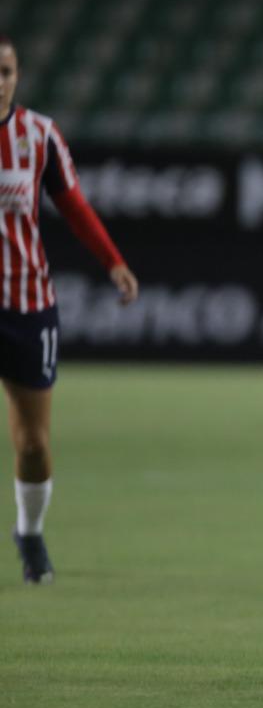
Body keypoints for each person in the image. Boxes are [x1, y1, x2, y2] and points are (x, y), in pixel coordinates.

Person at [0, 36, 139, 584]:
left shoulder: (39, 136)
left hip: (26, 304)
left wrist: (114, 262)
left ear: (17, 75)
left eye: (6, 70)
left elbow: (74, 206)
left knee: (32, 444)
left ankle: (29, 533)